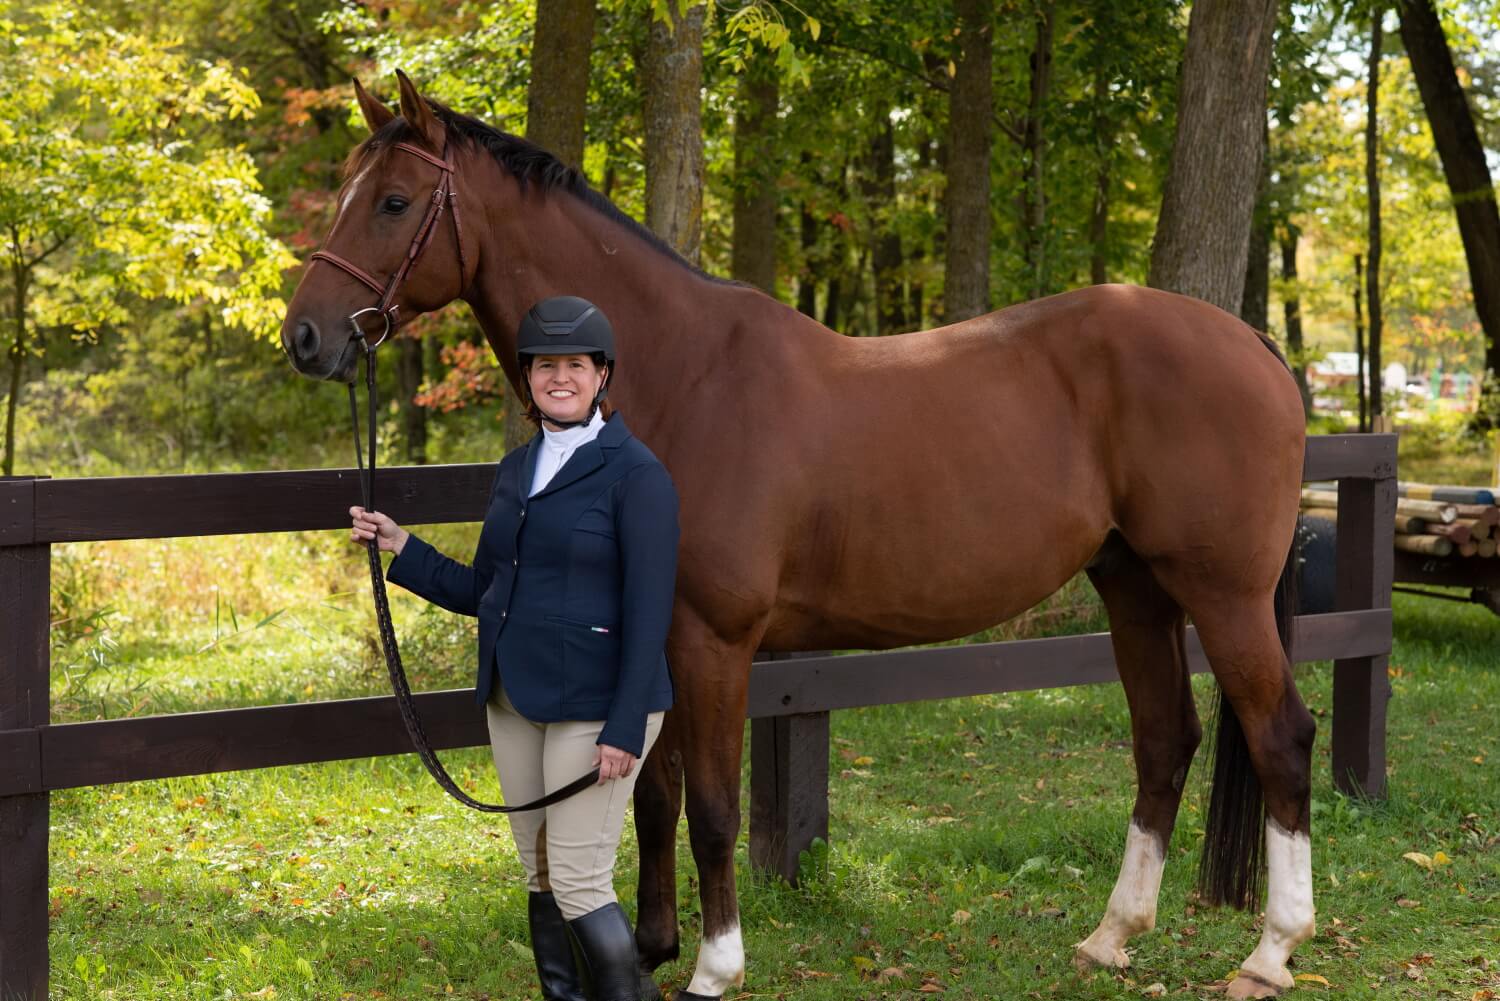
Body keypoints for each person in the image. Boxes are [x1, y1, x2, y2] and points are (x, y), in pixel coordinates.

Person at [350, 296, 679, 1001]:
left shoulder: (638, 475)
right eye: (545, 366)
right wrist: (401, 547)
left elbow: (651, 613)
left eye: (575, 365)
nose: (559, 377)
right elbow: (487, 589)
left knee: (581, 876)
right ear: (527, 378)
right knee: (541, 875)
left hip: (597, 709)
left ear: (601, 376)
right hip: (514, 699)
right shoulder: (516, 468)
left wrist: (626, 726)